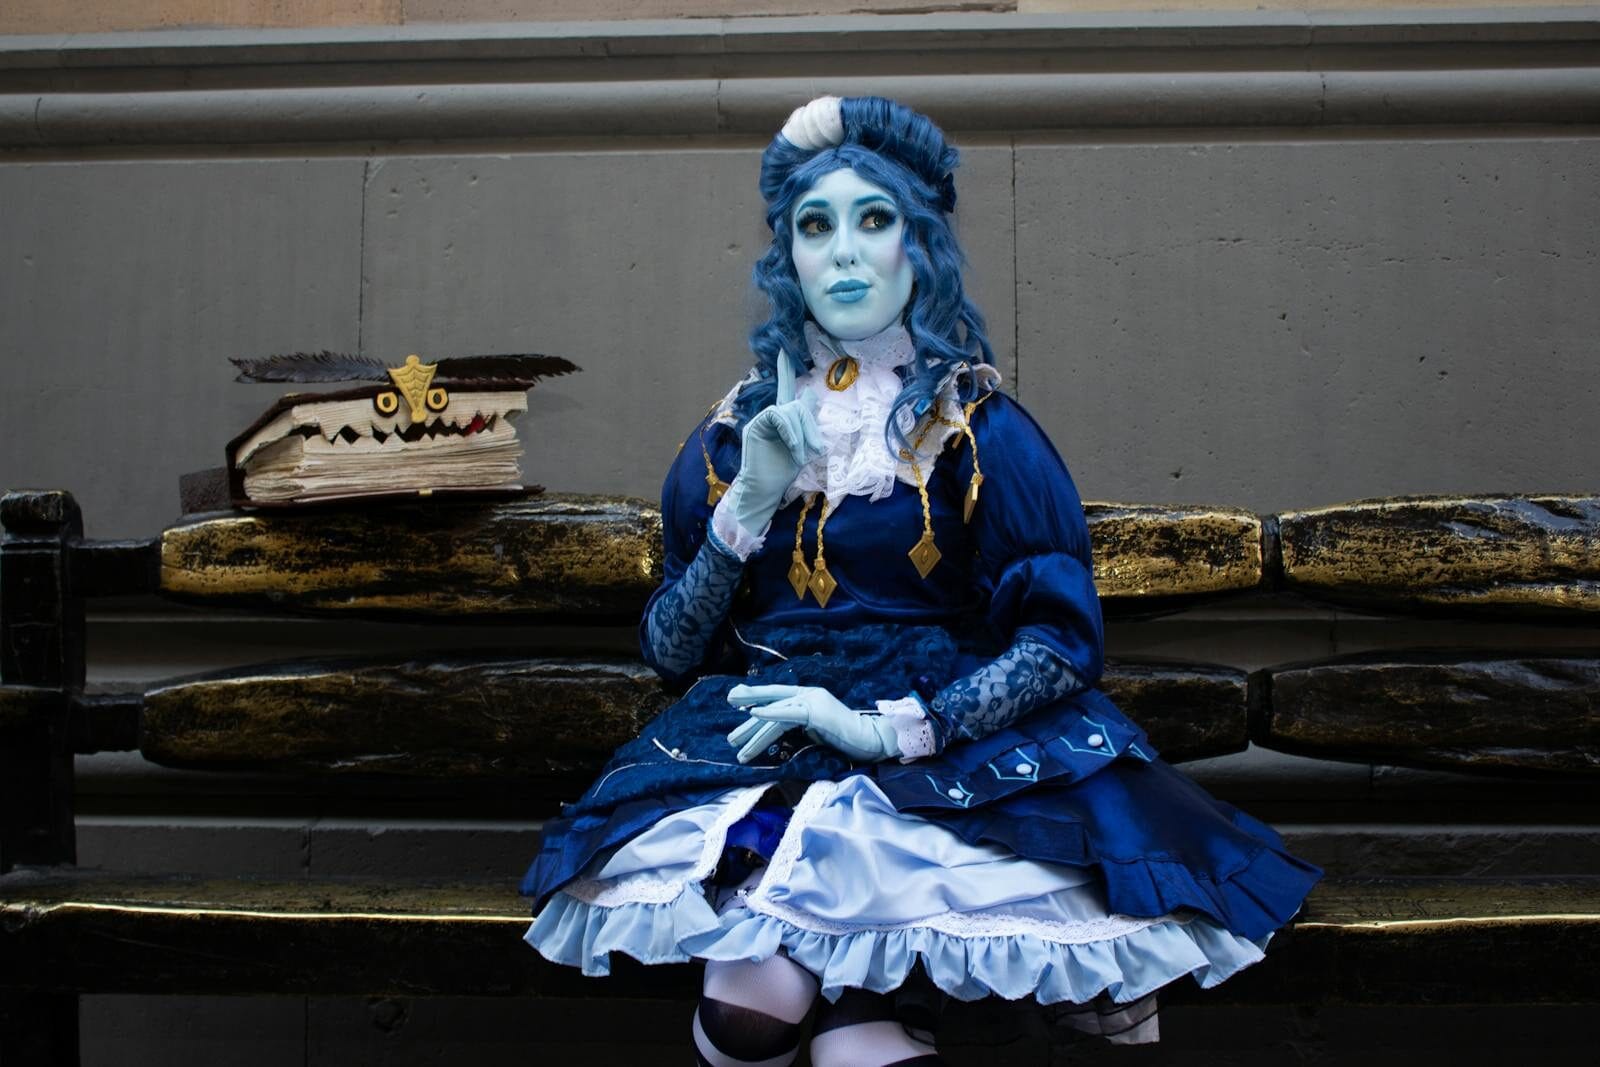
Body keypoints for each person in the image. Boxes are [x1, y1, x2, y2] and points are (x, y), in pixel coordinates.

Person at [521, 95, 1320, 1065]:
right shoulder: (732, 435)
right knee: (746, 1015)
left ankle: (876, 1009)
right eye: (816, 226)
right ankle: (862, 1004)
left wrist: (889, 729)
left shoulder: (977, 428)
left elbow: (1061, 642)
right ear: (788, 257)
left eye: (874, 220)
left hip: (934, 751)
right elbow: (670, 650)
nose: (845, 254)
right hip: (763, 756)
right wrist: (747, 508)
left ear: (920, 246)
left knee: (854, 1049)